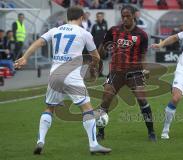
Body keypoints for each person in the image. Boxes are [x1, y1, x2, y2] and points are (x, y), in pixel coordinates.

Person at [14, 6, 111, 155]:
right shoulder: (84, 33)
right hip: (71, 75)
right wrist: (93, 68)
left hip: (55, 75)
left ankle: (41, 140)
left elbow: (38, 43)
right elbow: (96, 57)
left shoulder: (55, 30)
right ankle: (93, 145)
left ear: (67, 17)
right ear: (82, 18)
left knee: (49, 108)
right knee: (87, 109)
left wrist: (24, 58)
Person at [97, 5, 156, 142]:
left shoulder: (142, 34)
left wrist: (145, 69)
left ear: (134, 15)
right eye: (123, 16)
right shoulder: (114, 30)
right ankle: (100, 133)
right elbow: (104, 46)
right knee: (105, 100)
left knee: (142, 100)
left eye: (128, 16)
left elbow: (142, 55)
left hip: (134, 72)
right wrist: (97, 60)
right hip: (116, 72)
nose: (125, 19)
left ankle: (151, 132)